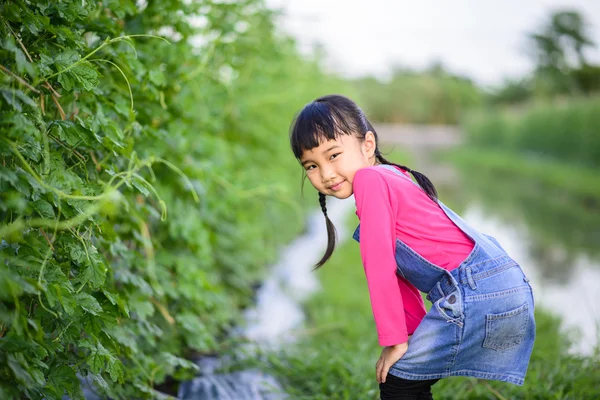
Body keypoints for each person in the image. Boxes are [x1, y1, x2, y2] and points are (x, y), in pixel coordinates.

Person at [288, 94, 536, 400]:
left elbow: (378, 265)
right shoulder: (392, 176)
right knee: (406, 378)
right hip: (500, 285)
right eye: (311, 165)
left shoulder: (370, 180)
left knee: (398, 382)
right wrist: (409, 336)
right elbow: (397, 272)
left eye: (334, 155)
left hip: (477, 291)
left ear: (367, 145)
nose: (325, 174)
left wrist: (394, 341)